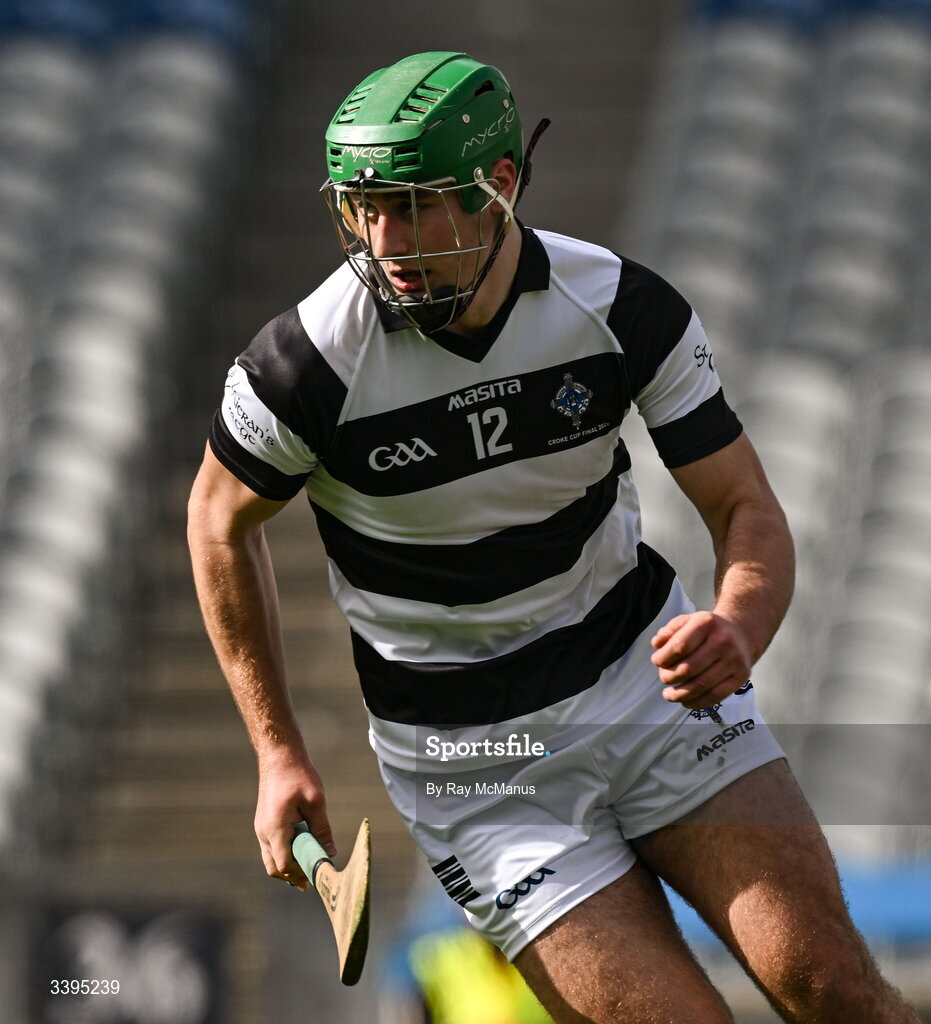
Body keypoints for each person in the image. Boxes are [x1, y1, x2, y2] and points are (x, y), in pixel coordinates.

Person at [187, 51, 920, 1024]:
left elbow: (746, 508)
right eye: (364, 207)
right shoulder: (303, 363)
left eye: (414, 205)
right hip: (472, 766)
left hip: (643, 692)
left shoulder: (618, 306)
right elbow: (214, 523)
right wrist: (276, 752)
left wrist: (738, 626)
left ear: (499, 188)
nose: (383, 238)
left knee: (825, 981)